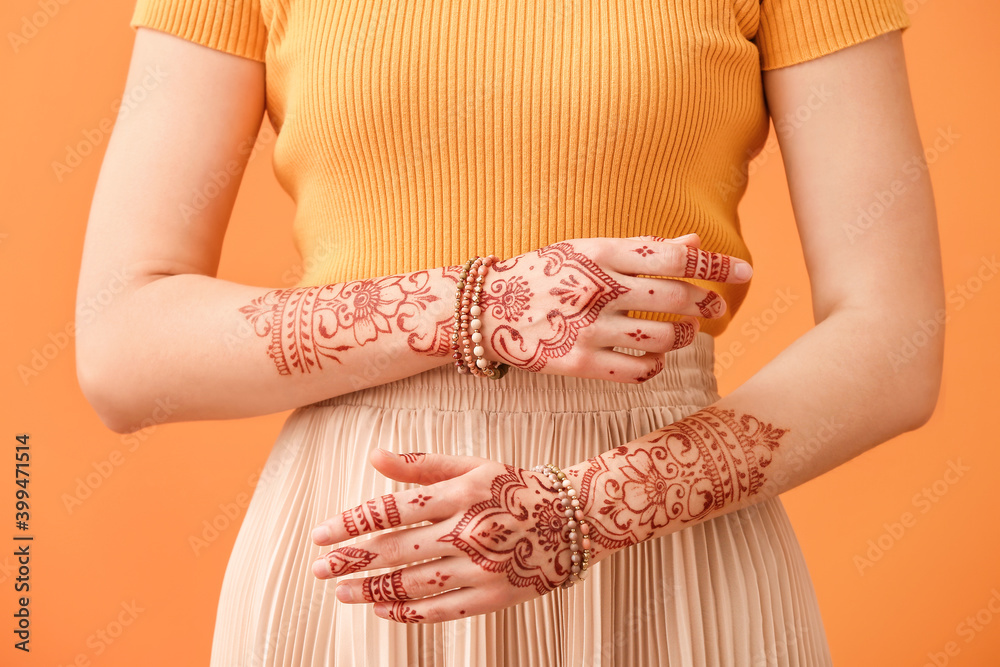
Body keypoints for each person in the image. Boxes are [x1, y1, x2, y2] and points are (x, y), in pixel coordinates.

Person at [76, 0, 943, 664]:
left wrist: (585, 512)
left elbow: (892, 332)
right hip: (372, 559)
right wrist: (475, 305)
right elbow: (123, 343)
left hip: (668, 541)